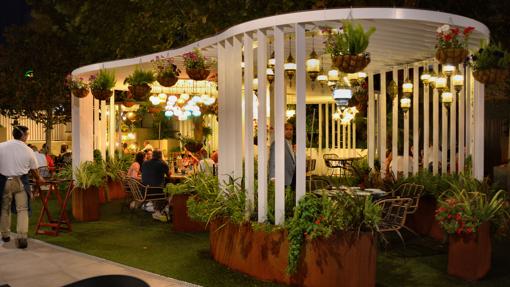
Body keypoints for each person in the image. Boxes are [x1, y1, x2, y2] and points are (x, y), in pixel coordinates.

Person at [0, 125, 45, 249]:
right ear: (23, 135)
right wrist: (39, 178)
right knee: (23, 209)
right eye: (27, 134)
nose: (27, 136)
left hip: (4, 181)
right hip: (20, 181)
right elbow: (34, 170)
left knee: (4, 208)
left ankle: (5, 235)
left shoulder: (1, 146)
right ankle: (22, 237)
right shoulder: (28, 150)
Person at [268, 123, 296, 189]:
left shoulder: (291, 143)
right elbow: (272, 161)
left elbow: (292, 160)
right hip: (283, 179)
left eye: (291, 129)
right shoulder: (277, 143)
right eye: (286, 129)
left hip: (293, 178)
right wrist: (273, 177)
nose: (289, 131)